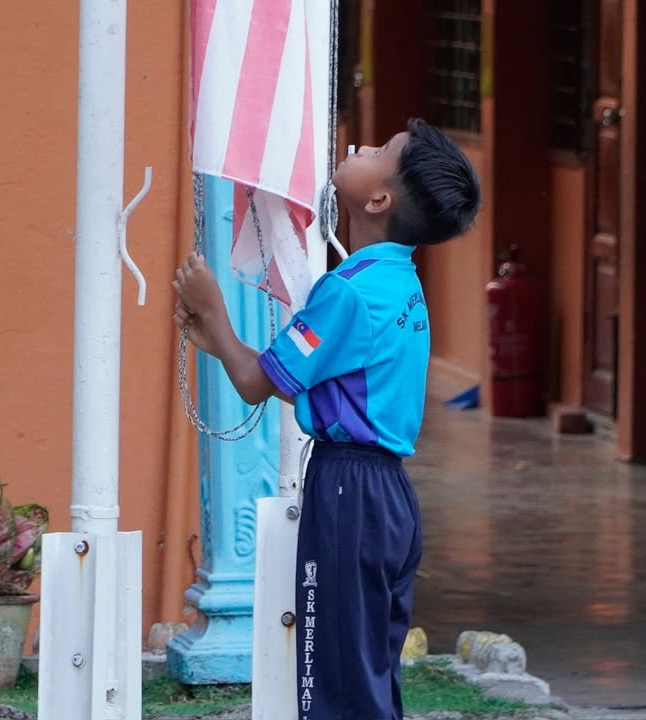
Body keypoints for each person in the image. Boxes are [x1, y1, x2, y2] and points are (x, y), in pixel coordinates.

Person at [173, 118, 481, 720]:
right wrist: (222, 342)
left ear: (379, 200)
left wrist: (215, 313)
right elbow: (335, 398)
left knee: (332, 674)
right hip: (387, 495)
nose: (362, 145)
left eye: (380, 150)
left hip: (348, 493)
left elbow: (255, 384)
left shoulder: (347, 291)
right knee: (367, 672)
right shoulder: (398, 282)